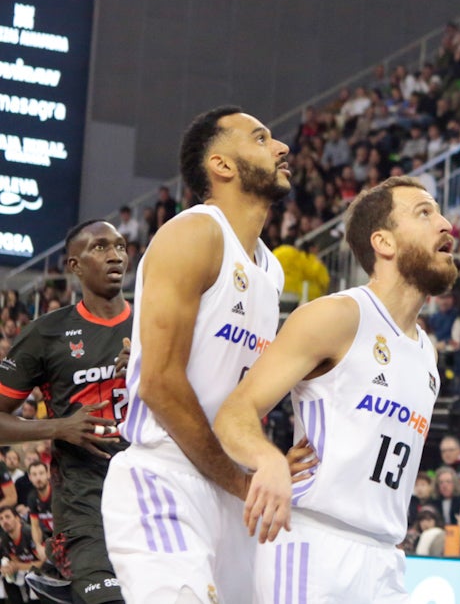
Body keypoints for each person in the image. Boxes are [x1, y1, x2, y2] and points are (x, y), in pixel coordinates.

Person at [213, 176, 457, 602]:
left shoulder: (428, 355)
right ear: (384, 242)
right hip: (313, 545)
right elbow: (235, 412)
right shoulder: (337, 317)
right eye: (424, 213)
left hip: (385, 558)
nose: (446, 224)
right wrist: (267, 460)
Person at [101, 108, 294, 604]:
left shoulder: (271, 272)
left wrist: (266, 461)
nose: (281, 148)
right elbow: (160, 384)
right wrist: (237, 476)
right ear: (222, 165)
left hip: (230, 490)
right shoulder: (195, 234)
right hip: (168, 474)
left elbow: (244, 396)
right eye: (260, 138)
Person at [0, 221, 131, 604]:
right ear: (74, 266)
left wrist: (149, 369)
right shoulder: (45, 333)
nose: (115, 254)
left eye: (121, 246)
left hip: (148, 486)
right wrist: (60, 427)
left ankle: (57, 584)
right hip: (82, 495)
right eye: (101, 247)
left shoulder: (153, 326)